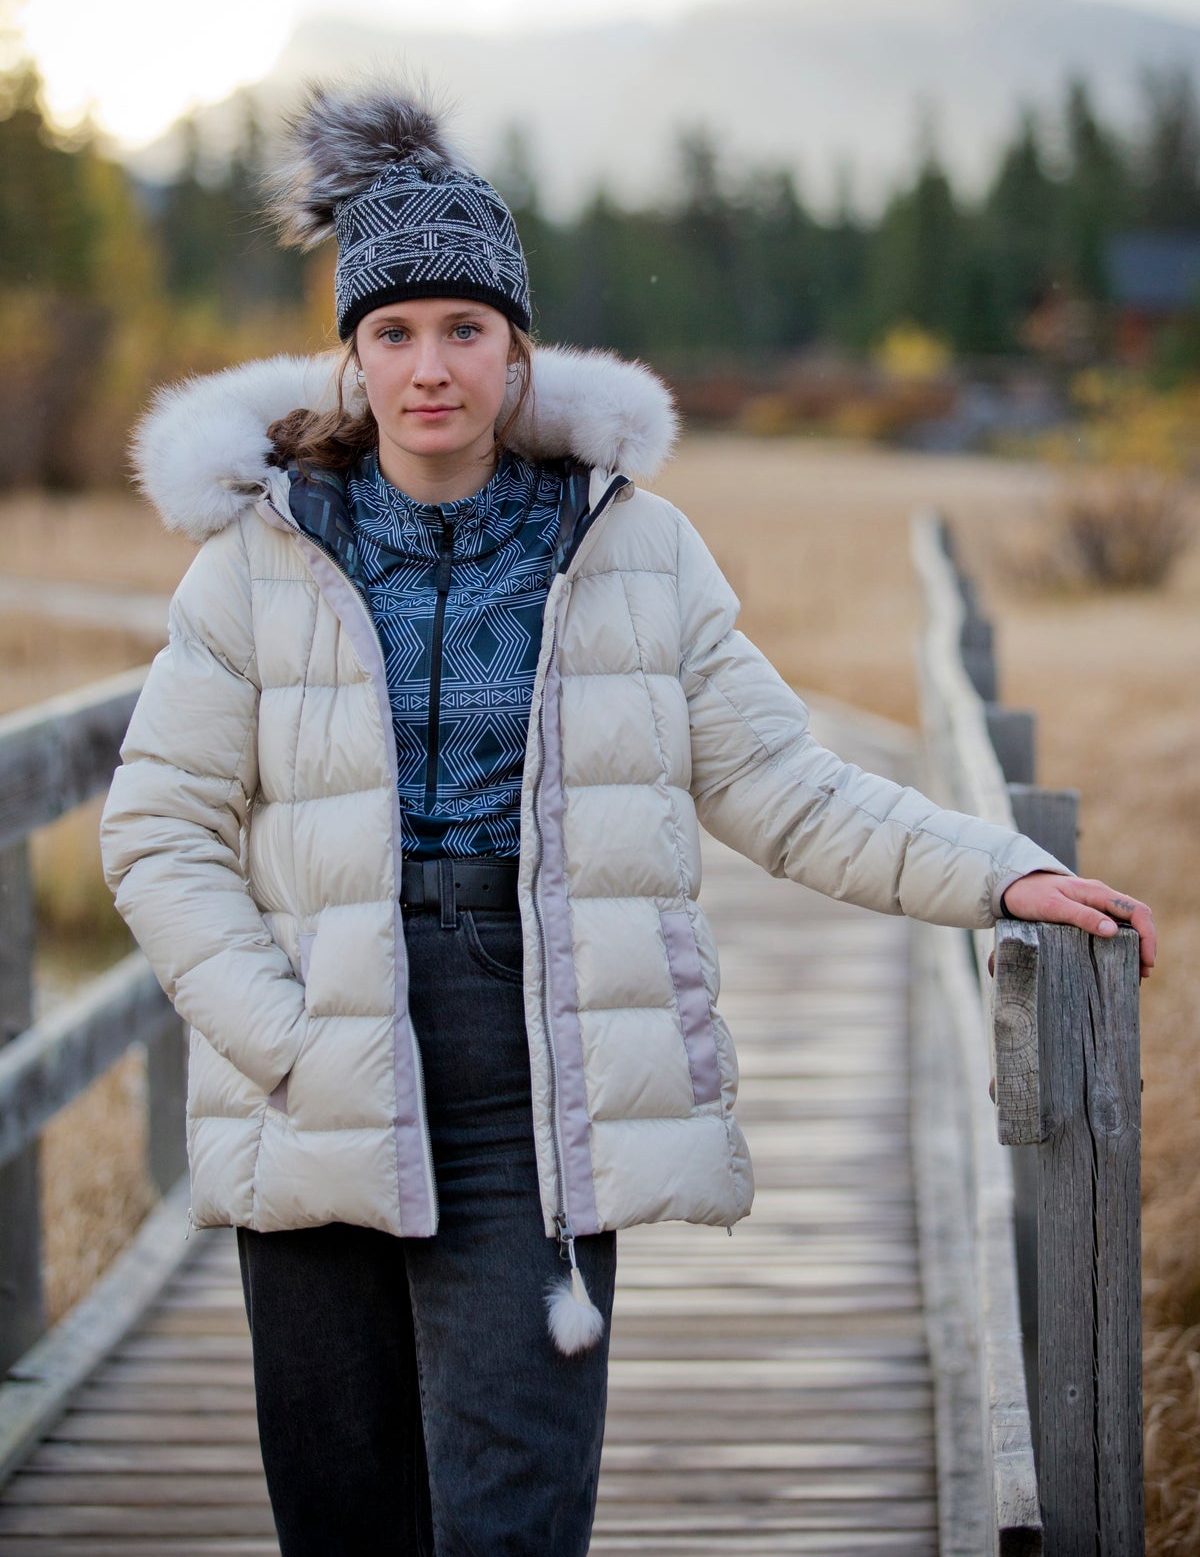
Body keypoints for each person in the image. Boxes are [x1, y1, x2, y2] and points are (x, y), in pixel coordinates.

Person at [99, 83, 1156, 1557]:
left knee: (515, 1516)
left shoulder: (633, 550)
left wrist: (998, 871)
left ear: (518, 346)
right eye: (392, 332)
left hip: (537, 1072)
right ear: (351, 352)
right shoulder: (256, 562)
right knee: (345, 1517)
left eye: (465, 328)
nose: (429, 367)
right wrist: (281, 1034)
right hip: (316, 1062)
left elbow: (785, 784)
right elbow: (158, 831)